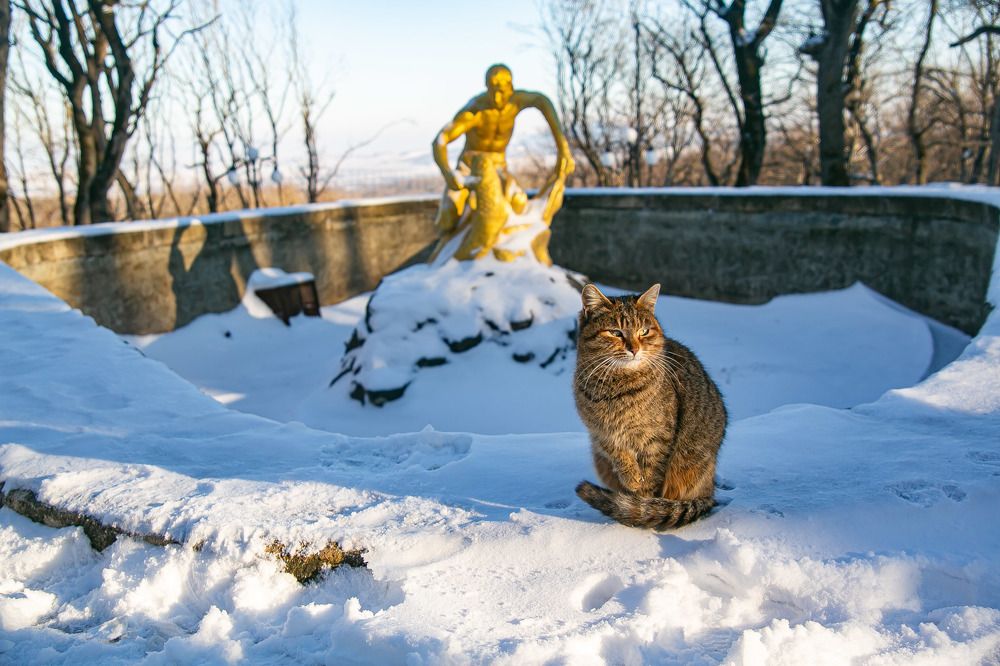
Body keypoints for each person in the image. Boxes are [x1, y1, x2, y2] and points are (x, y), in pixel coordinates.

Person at [431, 64, 575, 260]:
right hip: (470, 168)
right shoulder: (475, 111)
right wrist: (448, 174)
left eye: (501, 92)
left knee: (519, 202)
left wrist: (563, 148)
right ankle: (446, 256)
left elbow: (543, 101)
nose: (497, 99)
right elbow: (440, 141)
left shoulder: (516, 102)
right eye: (492, 92)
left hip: (498, 167)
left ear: (511, 88)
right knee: (448, 216)